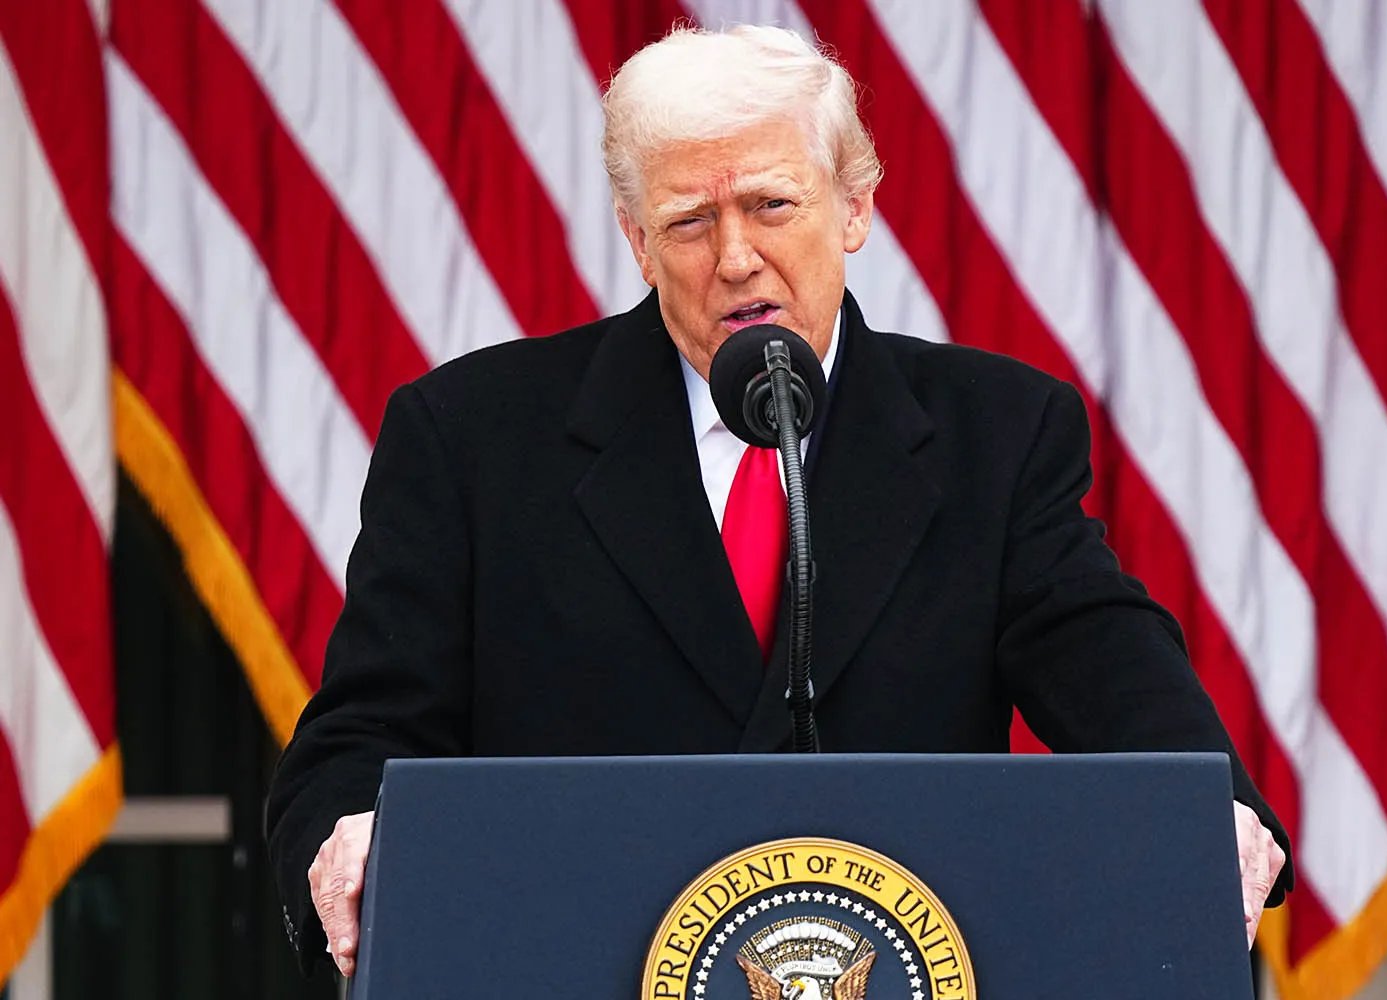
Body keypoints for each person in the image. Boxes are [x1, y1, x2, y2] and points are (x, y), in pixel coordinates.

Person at [265, 24, 1290, 979]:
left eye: (770, 205)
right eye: (689, 221)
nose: (735, 258)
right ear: (634, 237)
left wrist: (1208, 807)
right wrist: (347, 832)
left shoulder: (997, 434)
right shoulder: (473, 438)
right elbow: (360, 736)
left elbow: (1106, 665)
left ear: (855, 207)